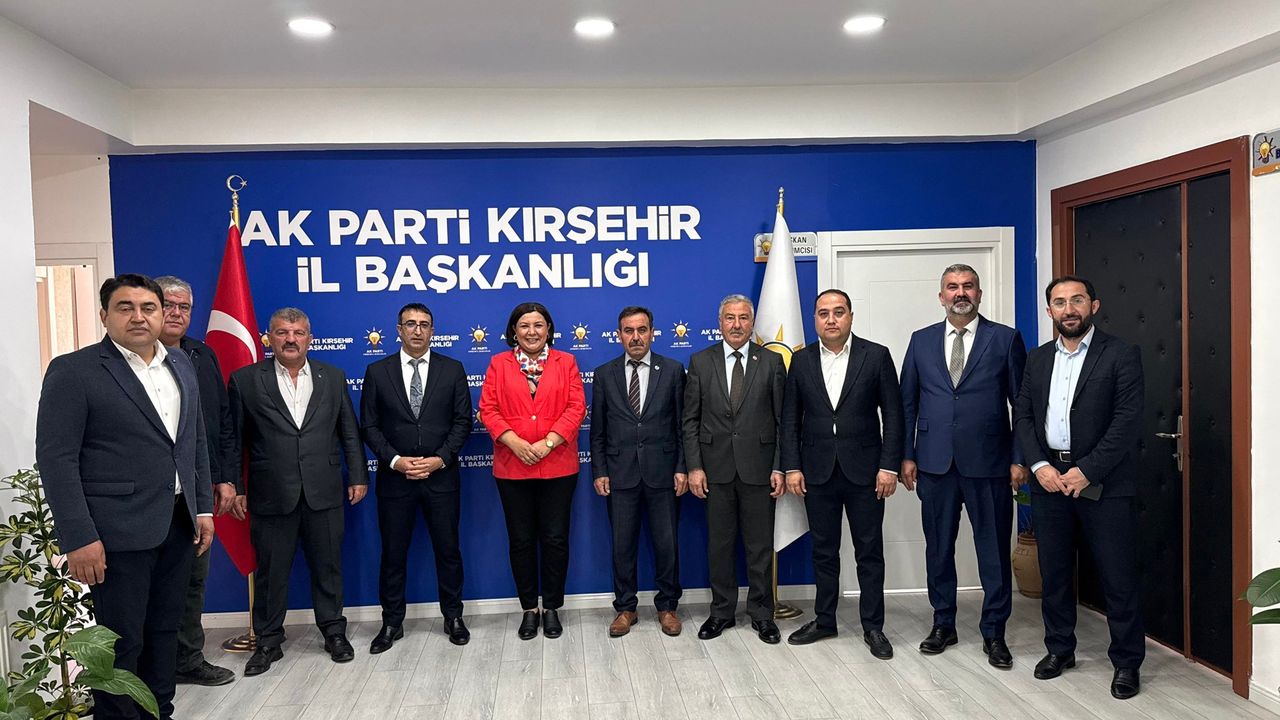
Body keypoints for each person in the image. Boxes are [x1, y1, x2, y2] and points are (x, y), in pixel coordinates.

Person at [36, 273, 214, 720]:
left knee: (164, 634)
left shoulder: (180, 364)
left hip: (178, 524)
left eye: (148, 308)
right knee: (121, 642)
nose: (138, 316)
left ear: (161, 314)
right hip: (114, 533)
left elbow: (194, 442)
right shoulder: (74, 371)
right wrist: (78, 537)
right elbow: (57, 460)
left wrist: (204, 508)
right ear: (104, 315)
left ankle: (159, 712)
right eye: (125, 307)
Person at [1013, 275, 1145, 700]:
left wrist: (1087, 469)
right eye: (1059, 302)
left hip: (1103, 482)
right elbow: (1024, 417)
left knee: (1117, 577)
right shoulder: (1037, 359)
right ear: (1049, 310)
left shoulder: (1120, 354)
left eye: (1077, 300)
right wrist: (1038, 465)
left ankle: (1126, 662)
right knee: (1054, 574)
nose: (1068, 309)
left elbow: (1126, 421)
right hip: (1049, 480)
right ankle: (1059, 649)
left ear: (1094, 305)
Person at [897, 265, 1027, 668]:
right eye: (952, 287)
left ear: (979, 293)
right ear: (941, 297)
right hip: (934, 464)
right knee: (938, 548)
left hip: (990, 463)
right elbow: (907, 403)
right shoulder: (920, 341)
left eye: (968, 286)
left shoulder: (1004, 339)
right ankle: (943, 624)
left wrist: (1019, 458)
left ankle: (995, 632)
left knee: (993, 551)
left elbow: (1022, 406)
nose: (960, 293)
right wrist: (906, 455)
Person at [228, 307, 368, 675]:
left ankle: (334, 632)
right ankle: (268, 641)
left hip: (324, 489)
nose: (291, 339)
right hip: (271, 492)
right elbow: (233, 441)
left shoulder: (332, 377)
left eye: (298, 333)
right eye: (282, 332)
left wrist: (358, 475)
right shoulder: (245, 380)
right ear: (269, 338)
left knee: (328, 568)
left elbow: (348, 431)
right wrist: (236, 486)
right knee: (271, 573)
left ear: (310, 338)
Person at [780, 289, 903, 659]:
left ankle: (873, 627)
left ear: (850, 316)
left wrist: (889, 466)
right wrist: (792, 466)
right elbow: (790, 419)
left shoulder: (876, 356)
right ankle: (825, 620)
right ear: (815, 319)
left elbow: (893, 416)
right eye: (823, 313)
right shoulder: (801, 360)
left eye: (838, 312)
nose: (831, 319)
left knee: (869, 552)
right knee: (824, 551)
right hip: (817, 472)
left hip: (866, 473)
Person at [360, 303, 473, 652]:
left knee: (448, 551)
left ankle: (453, 616)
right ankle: (392, 622)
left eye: (424, 324)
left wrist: (440, 459)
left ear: (432, 331)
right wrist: (395, 461)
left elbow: (463, 422)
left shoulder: (452, 369)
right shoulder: (377, 371)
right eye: (410, 324)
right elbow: (369, 426)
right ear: (399, 330)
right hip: (396, 480)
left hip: (441, 478)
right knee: (393, 554)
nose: (417, 330)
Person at [682, 294, 786, 644]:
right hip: (715, 471)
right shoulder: (700, 361)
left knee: (759, 547)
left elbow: (783, 420)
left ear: (752, 323)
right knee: (720, 545)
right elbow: (690, 421)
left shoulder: (771, 362)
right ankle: (721, 612)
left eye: (743, 318)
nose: (737, 325)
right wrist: (694, 467)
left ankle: (762, 614)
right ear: (720, 322)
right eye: (730, 318)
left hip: (760, 469)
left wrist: (779, 466)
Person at [478, 302, 586, 640]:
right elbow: (488, 409)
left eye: (538, 325)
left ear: (548, 329)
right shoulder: (498, 364)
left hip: (558, 466)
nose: (532, 332)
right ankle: (529, 608)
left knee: (555, 539)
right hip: (513, 467)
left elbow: (576, 407)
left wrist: (548, 442)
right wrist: (514, 442)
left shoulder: (566, 362)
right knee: (521, 541)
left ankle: (551, 607)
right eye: (524, 325)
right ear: (514, 330)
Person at [152, 276, 239, 687]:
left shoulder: (202, 355)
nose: (176, 313)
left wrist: (225, 478)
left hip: (195, 493)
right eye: (167, 304)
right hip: (147, 496)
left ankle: (187, 660)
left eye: (184, 307)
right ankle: (147, 668)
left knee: (192, 579)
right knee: (148, 586)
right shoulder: (125, 363)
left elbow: (220, 420)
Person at [589, 306, 688, 638]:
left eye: (642, 330)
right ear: (619, 335)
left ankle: (667, 607)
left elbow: (682, 426)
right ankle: (625, 608)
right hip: (620, 474)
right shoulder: (604, 374)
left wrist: (681, 467)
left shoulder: (672, 370)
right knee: (622, 546)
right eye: (628, 331)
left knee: (667, 544)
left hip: (664, 473)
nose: (635, 337)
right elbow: (598, 431)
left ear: (652, 333)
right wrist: (600, 470)